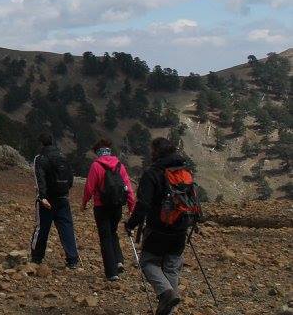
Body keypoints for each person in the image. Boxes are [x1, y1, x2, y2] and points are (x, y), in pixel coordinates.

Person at [125, 137, 194, 315]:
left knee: (148, 262)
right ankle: (168, 309)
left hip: (158, 229)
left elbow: (143, 205)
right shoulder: (184, 171)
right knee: (172, 267)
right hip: (181, 228)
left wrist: (131, 224)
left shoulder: (152, 173)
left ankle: (166, 293)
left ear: (156, 152)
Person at [81, 138, 136, 281]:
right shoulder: (119, 165)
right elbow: (128, 188)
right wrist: (131, 206)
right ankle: (119, 261)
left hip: (101, 206)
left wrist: (84, 203)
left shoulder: (96, 166)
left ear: (97, 152)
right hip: (117, 206)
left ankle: (112, 272)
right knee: (113, 232)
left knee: (105, 237)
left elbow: (89, 188)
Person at [30, 133, 80, 268]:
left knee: (42, 228)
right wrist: (66, 190)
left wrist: (42, 196)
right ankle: (72, 259)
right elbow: (70, 177)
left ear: (41, 143)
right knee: (66, 228)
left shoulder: (40, 158)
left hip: (47, 199)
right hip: (63, 197)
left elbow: (39, 178)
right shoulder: (62, 156)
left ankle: (37, 257)